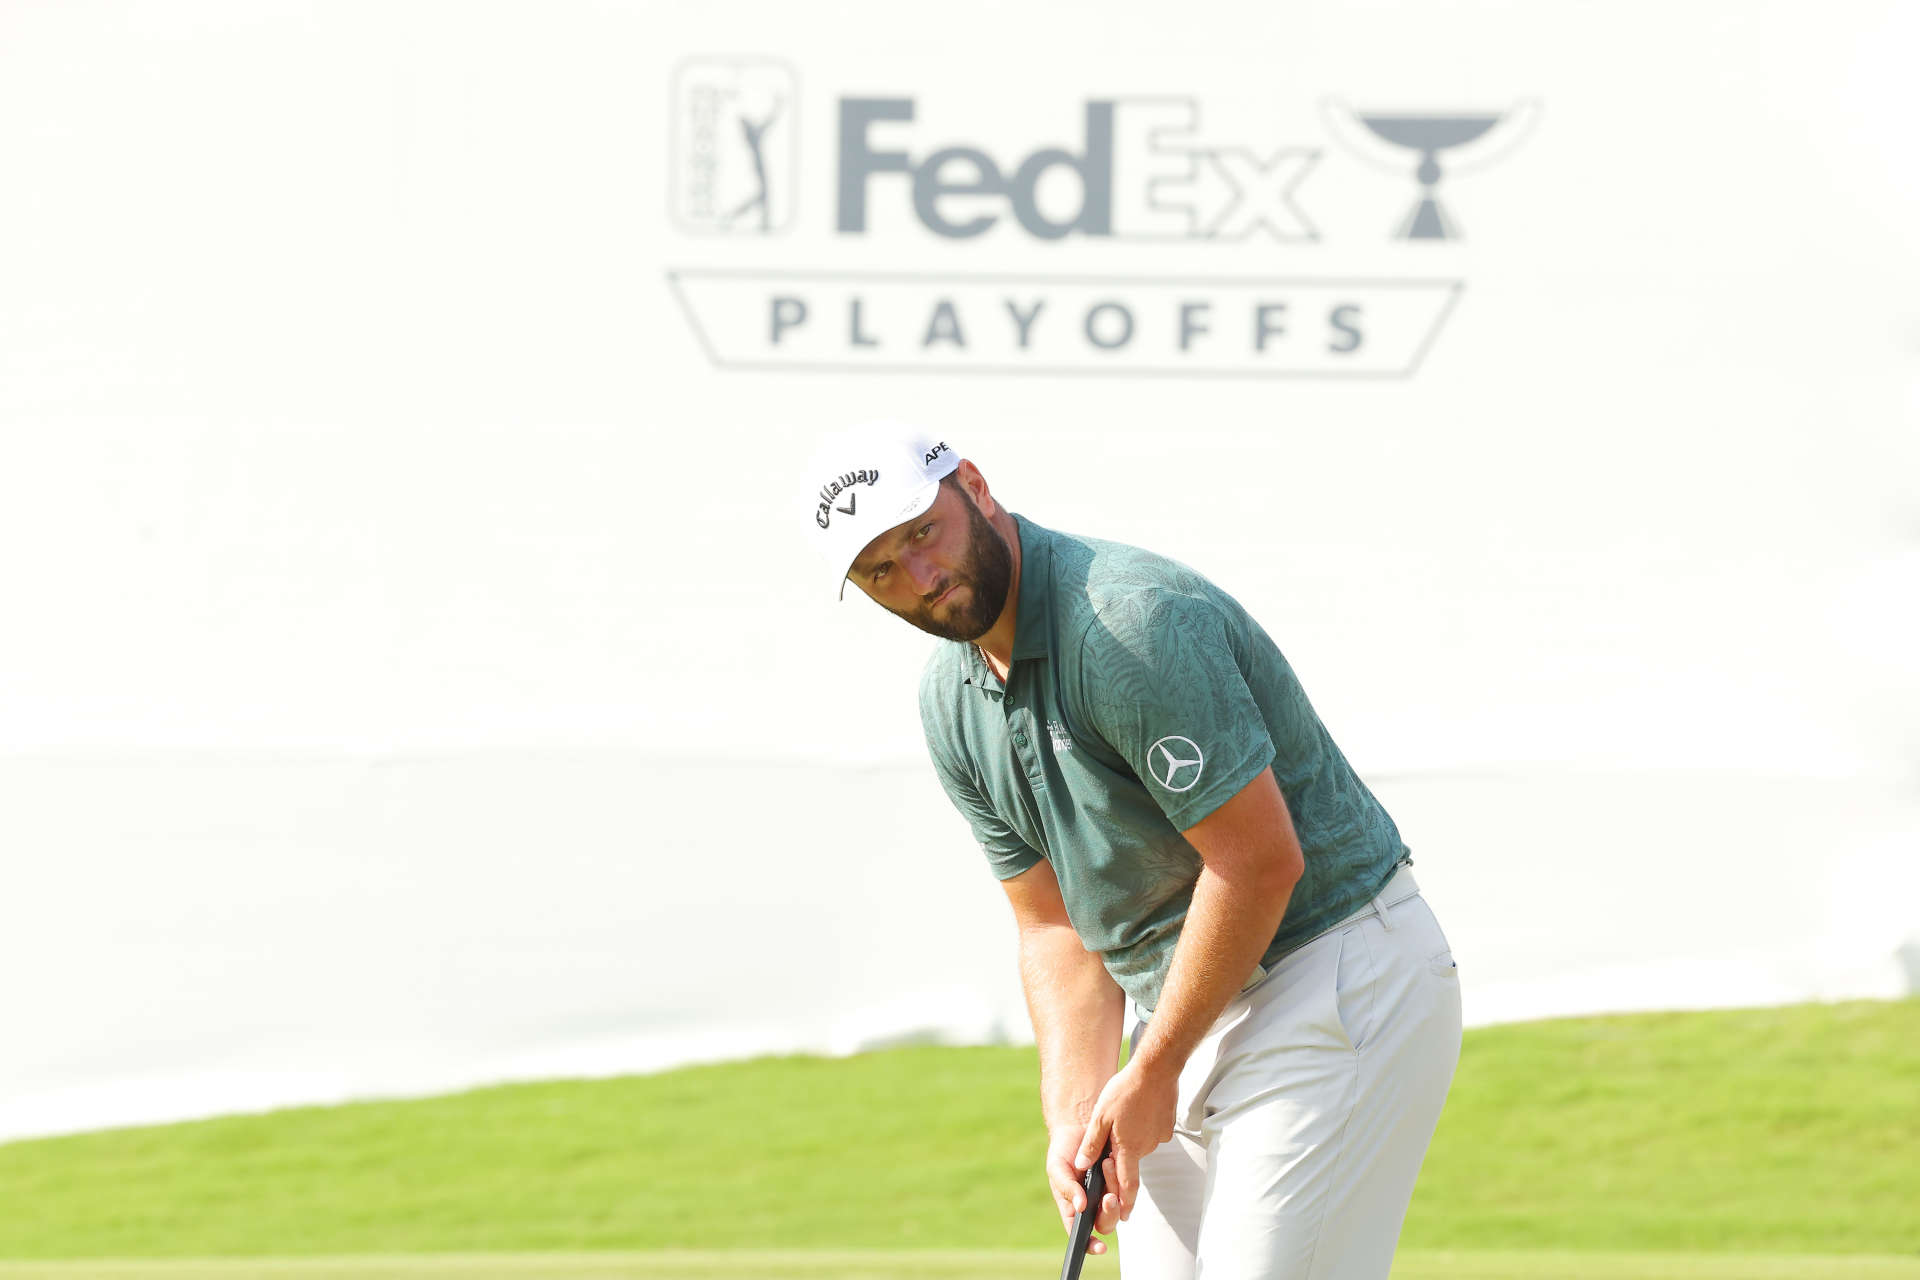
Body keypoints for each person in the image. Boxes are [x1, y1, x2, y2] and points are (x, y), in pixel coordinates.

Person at [805, 424, 1462, 1280]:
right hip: (1190, 1003)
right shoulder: (950, 701)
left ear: (973, 484)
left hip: (1330, 976)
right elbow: (1054, 927)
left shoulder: (1123, 625)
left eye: (922, 533)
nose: (920, 579)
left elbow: (1259, 861)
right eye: (880, 570)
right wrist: (1075, 1114)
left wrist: (1151, 1071)